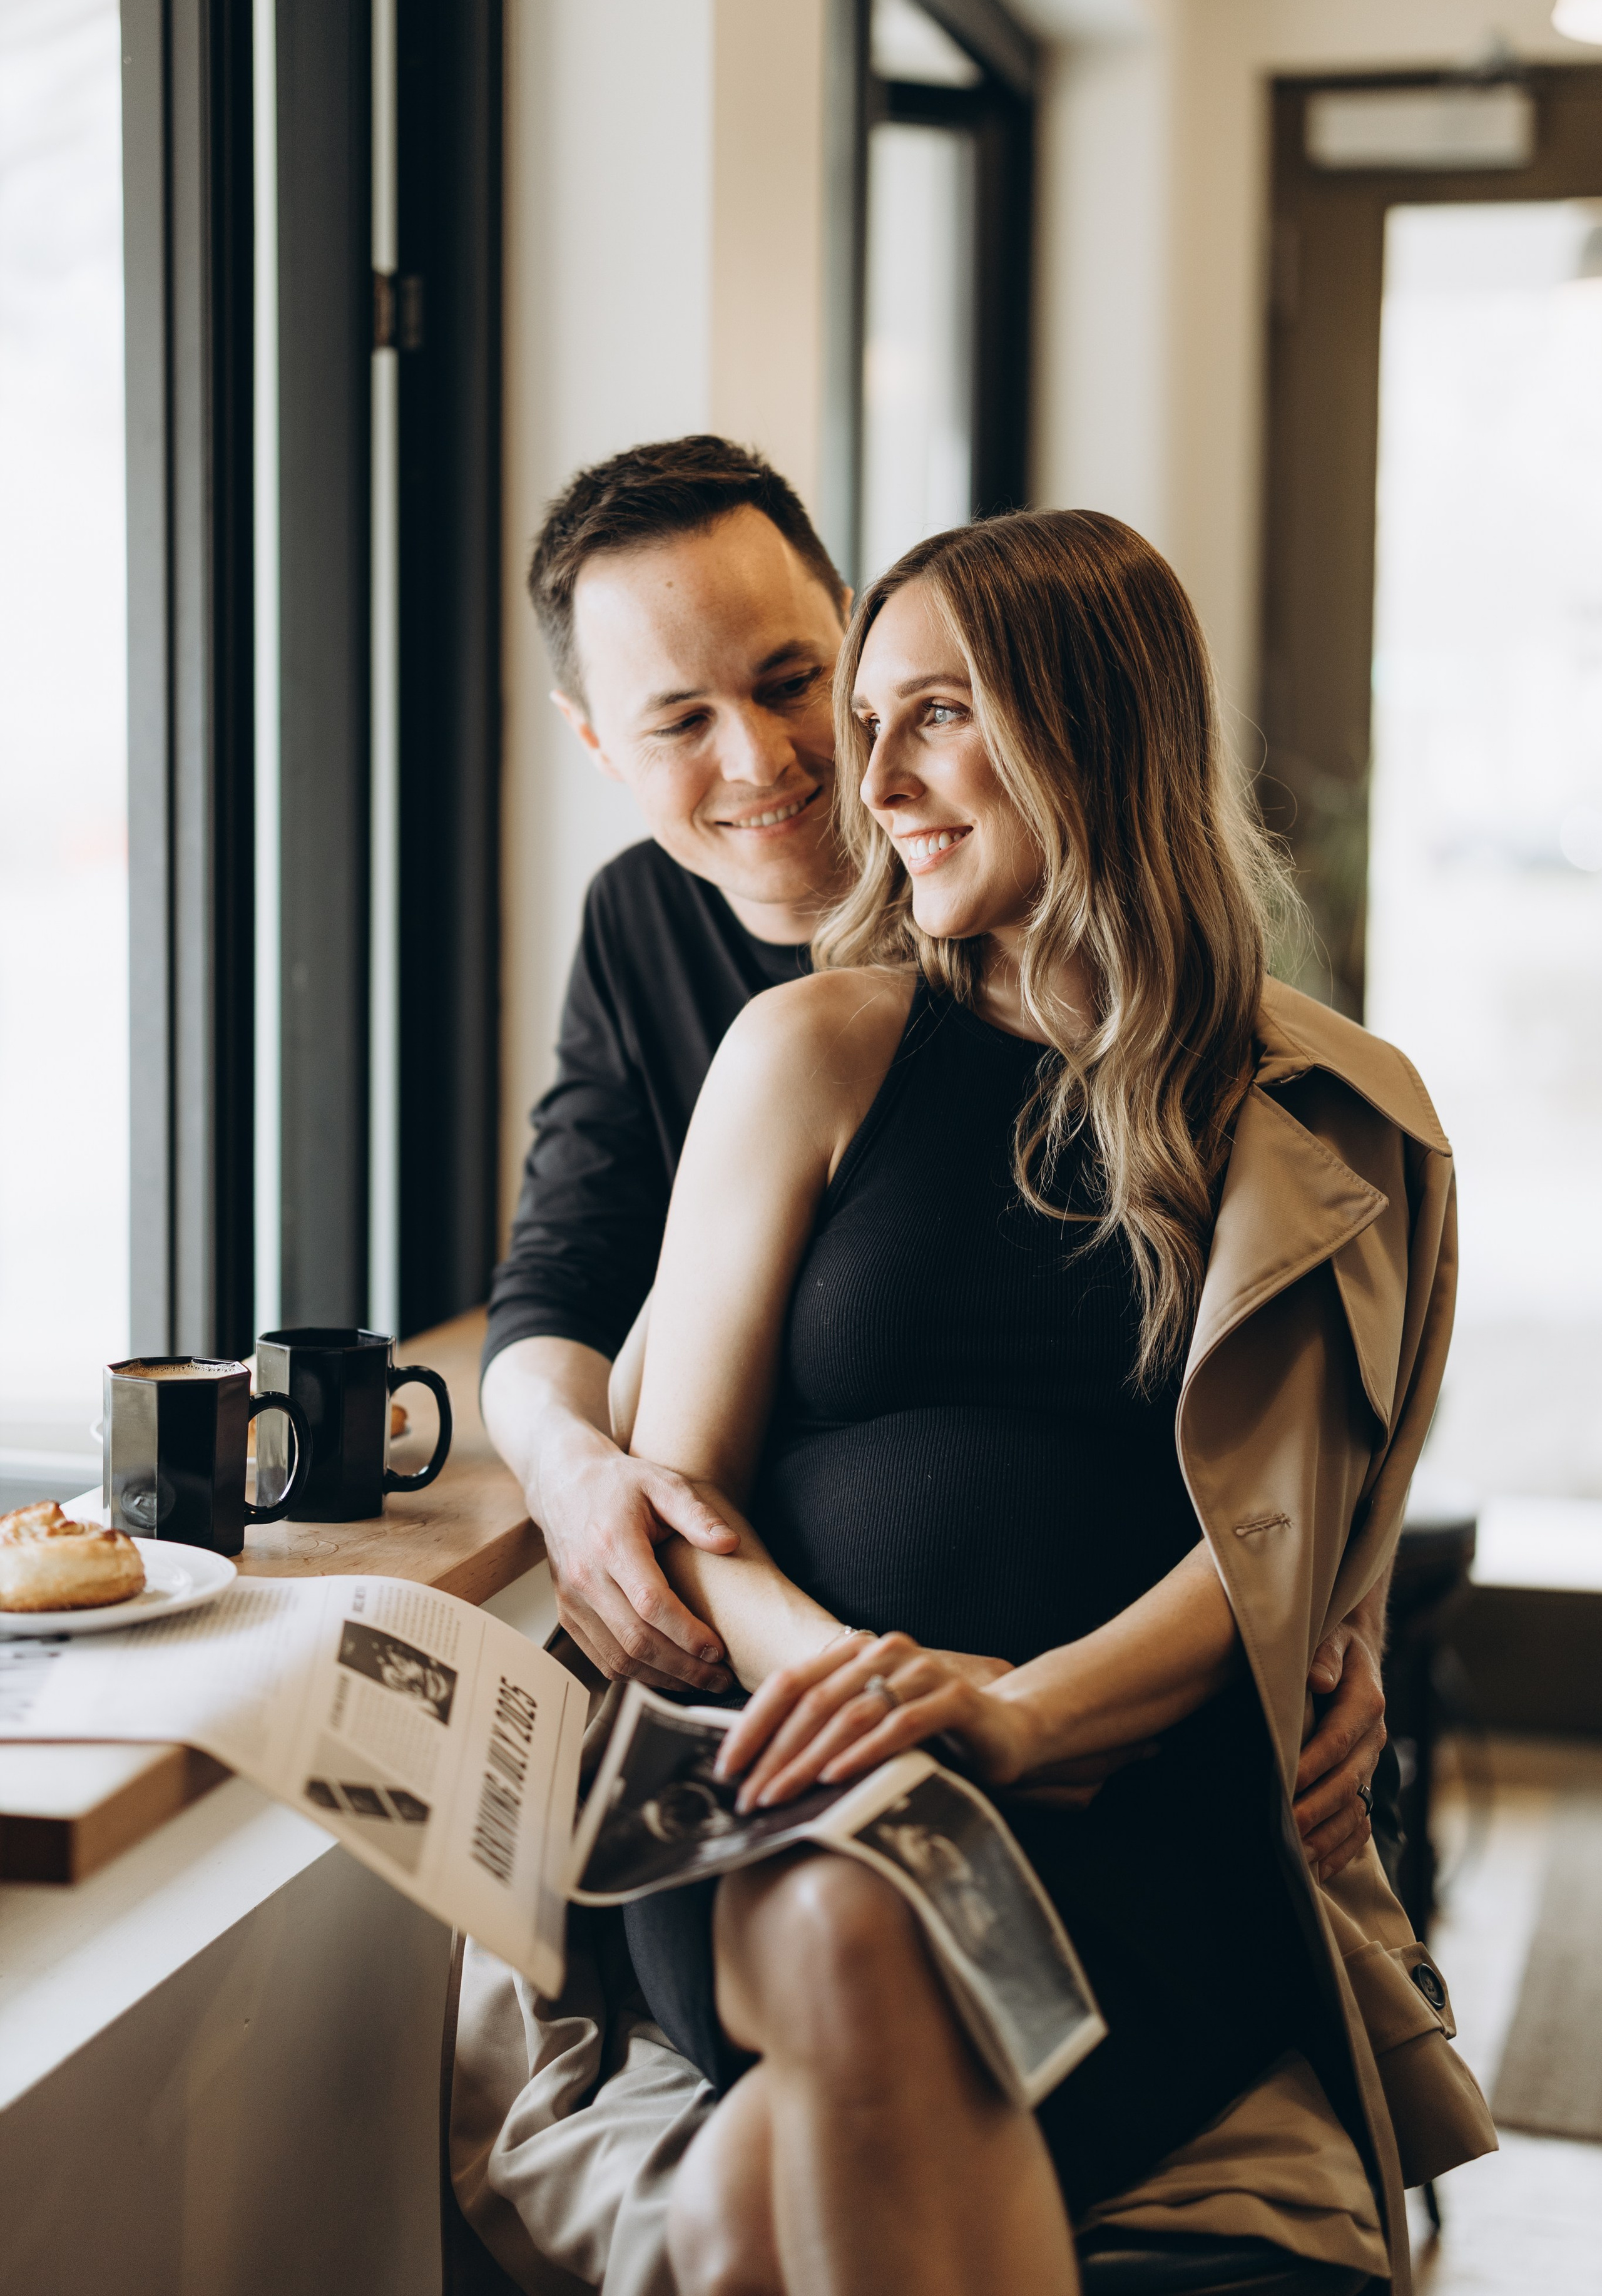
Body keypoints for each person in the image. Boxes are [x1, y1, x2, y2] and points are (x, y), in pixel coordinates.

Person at [611, 510, 1494, 2296]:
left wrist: (1010, 1719)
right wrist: (856, 1696)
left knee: (754, 2209)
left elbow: (1263, 1561)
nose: (875, 782)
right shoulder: (808, 1054)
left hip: (1142, 1824)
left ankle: (732, 2212)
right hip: (798, 1782)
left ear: (1089, 723)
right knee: (866, 1909)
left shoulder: (1320, 1120)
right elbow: (679, 1496)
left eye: (931, 716)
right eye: (869, 726)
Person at [480, 437, 1387, 1887]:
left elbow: (1287, 1407)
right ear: (598, 742)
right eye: (678, 721)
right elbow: (565, 1266)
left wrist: (1333, 1597)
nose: (777, 765)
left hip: (1114, 1748)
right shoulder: (684, 953)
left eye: (792, 685)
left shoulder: (1225, 1062)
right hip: (807, 1706)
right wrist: (572, 1463)